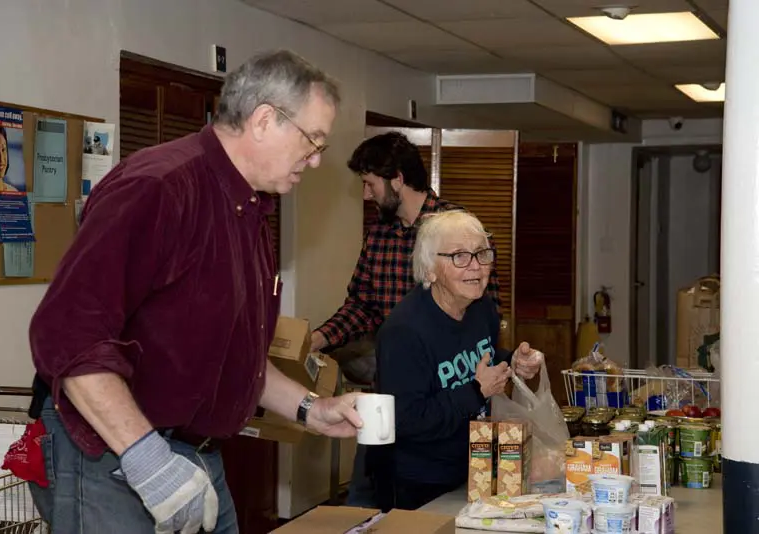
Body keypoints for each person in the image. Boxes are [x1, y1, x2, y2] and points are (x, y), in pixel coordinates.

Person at [26, 49, 364, 534]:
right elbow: (68, 335)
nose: (313, 161)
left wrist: (311, 408)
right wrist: (149, 462)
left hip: (196, 456)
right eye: (312, 141)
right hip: (113, 457)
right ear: (265, 119)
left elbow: (232, 354)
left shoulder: (249, 210)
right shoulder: (159, 187)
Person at [308, 132, 502, 507]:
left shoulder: (457, 232)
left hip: (448, 400)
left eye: (370, 184)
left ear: (396, 178)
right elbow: (361, 305)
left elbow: (484, 311)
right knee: (376, 496)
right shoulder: (379, 233)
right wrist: (317, 339)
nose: (366, 195)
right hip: (394, 396)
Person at [370, 210, 544, 511]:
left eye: (481, 253)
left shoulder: (481, 307)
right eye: (460, 256)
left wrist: (514, 362)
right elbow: (407, 421)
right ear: (430, 270)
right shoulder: (403, 333)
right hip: (419, 486)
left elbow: (482, 360)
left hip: (474, 469)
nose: (476, 267)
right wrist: (477, 391)